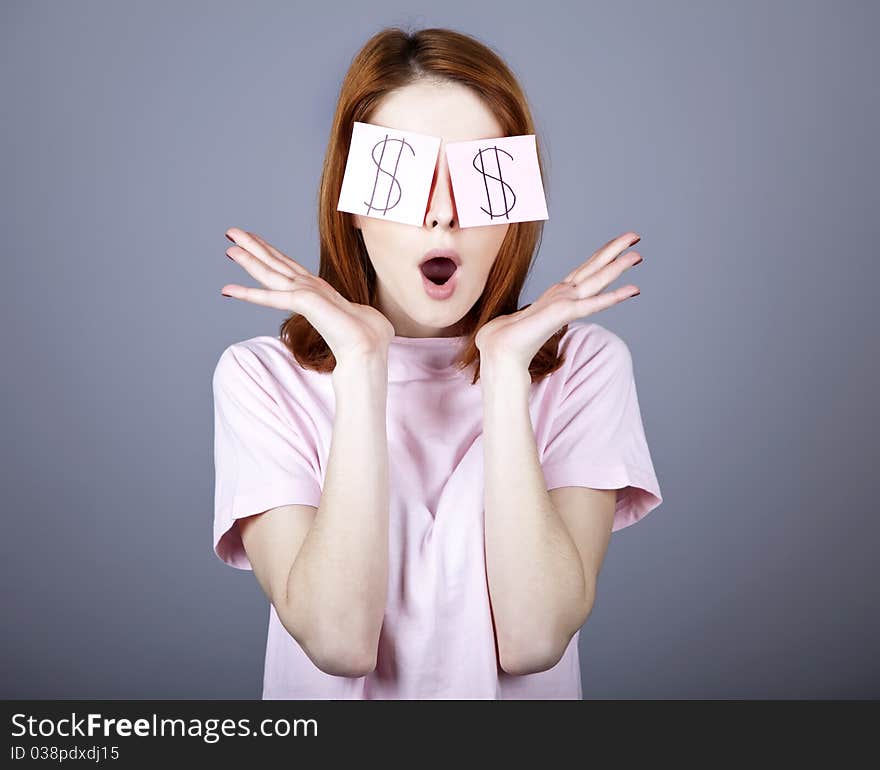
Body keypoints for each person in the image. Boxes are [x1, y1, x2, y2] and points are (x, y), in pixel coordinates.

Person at [212, 26, 662, 699]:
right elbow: (336, 641)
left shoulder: (583, 368)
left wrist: (506, 373)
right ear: (355, 206)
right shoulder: (262, 379)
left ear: (513, 207)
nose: (443, 213)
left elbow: (536, 637)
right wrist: (363, 366)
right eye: (405, 175)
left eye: (478, 176)